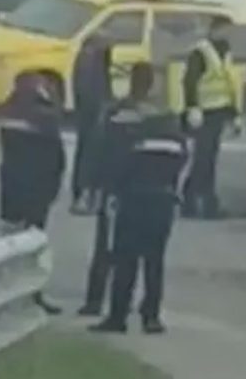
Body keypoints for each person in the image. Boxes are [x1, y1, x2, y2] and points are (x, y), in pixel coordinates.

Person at [90, 63, 188, 334]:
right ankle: (151, 316)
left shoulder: (119, 115)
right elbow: (181, 157)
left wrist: (104, 187)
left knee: (124, 258)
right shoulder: (168, 120)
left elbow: (107, 155)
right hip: (163, 199)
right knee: (154, 261)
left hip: (131, 198)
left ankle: (118, 316)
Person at [76, 72, 150, 317]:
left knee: (105, 249)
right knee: (129, 251)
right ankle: (120, 302)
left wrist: (89, 185)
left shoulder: (113, 112)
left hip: (113, 188)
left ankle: (96, 301)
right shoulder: (155, 116)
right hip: (137, 189)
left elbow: (95, 147)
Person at [0, 71, 66, 316]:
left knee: (10, 243)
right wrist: (53, 186)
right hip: (37, 190)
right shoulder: (45, 118)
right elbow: (57, 157)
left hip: (14, 188)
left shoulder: (10, 110)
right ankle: (30, 294)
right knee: (32, 245)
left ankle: (10, 293)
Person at [181, 23, 241, 218]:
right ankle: (200, 202)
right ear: (213, 30)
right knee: (203, 158)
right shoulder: (201, 52)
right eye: (223, 29)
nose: (226, 33)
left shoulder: (225, 50)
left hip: (219, 111)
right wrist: (193, 107)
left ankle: (198, 200)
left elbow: (230, 82)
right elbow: (190, 80)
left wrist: (234, 113)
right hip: (204, 112)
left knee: (208, 158)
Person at [71, 35, 113, 214]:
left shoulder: (85, 59)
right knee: (92, 153)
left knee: (85, 151)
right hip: (94, 112)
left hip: (88, 112)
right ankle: (87, 195)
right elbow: (94, 90)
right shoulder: (92, 61)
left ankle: (84, 194)